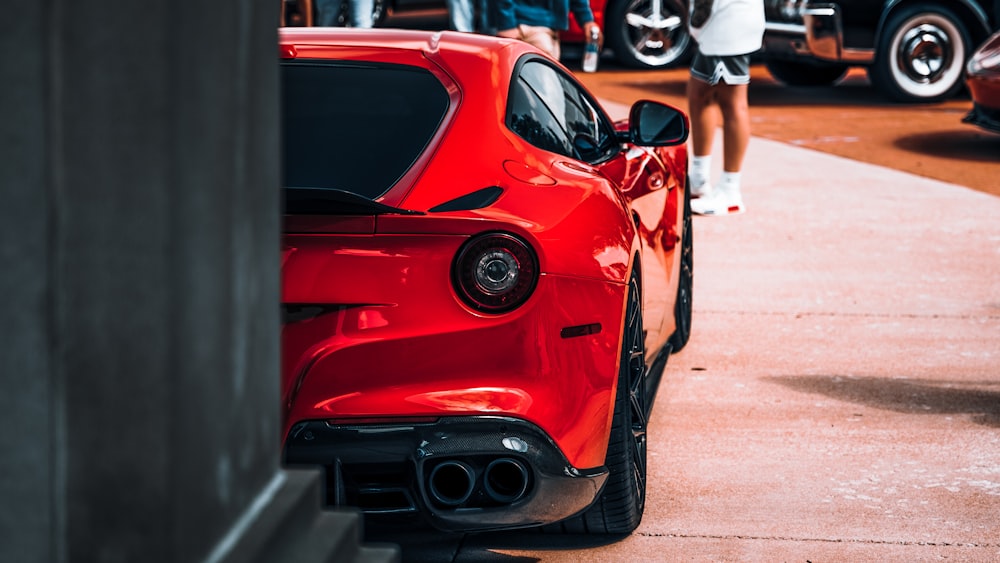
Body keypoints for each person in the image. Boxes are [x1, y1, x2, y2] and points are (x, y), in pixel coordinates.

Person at [685, 0, 765, 216]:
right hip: (717, 18)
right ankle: (699, 178)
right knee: (699, 93)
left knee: (732, 102)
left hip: (728, 18)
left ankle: (730, 191)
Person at [494, 0, 600, 61]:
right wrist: (506, 25)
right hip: (528, 25)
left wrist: (587, 20)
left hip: (550, 29)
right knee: (545, 89)